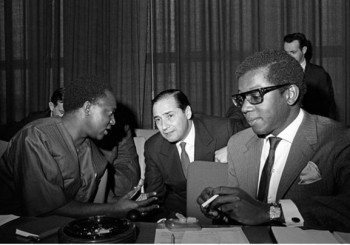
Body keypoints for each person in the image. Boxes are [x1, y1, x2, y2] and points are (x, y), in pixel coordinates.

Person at [197, 49, 350, 232]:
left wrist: (272, 212)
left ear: (290, 94)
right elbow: (242, 218)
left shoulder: (338, 139)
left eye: (255, 96)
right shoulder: (237, 144)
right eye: (241, 98)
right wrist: (222, 208)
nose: (245, 108)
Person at [0, 77, 158, 218]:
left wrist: (127, 203)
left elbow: (96, 202)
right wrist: (112, 209)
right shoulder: (35, 137)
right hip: (13, 222)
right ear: (88, 108)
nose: (113, 121)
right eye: (109, 113)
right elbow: (45, 208)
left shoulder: (90, 149)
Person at [144, 89, 237, 220]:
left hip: (223, 214)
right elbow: (154, 198)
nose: (163, 126)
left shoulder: (223, 130)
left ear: (187, 112)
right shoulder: (153, 147)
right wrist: (165, 219)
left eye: (170, 116)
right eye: (158, 119)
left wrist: (234, 150)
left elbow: (257, 140)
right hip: (178, 215)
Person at [283, 32, 336, 119]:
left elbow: (328, 107)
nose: (289, 57)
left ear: (304, 50)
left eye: (293, 52)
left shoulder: (319, 74)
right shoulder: (279, 72)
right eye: (286, 53)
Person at [0, 87, 65, 141]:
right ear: (52, 106)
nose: (66, 116)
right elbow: (13, 132)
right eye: (62, 112)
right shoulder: (35, 120)